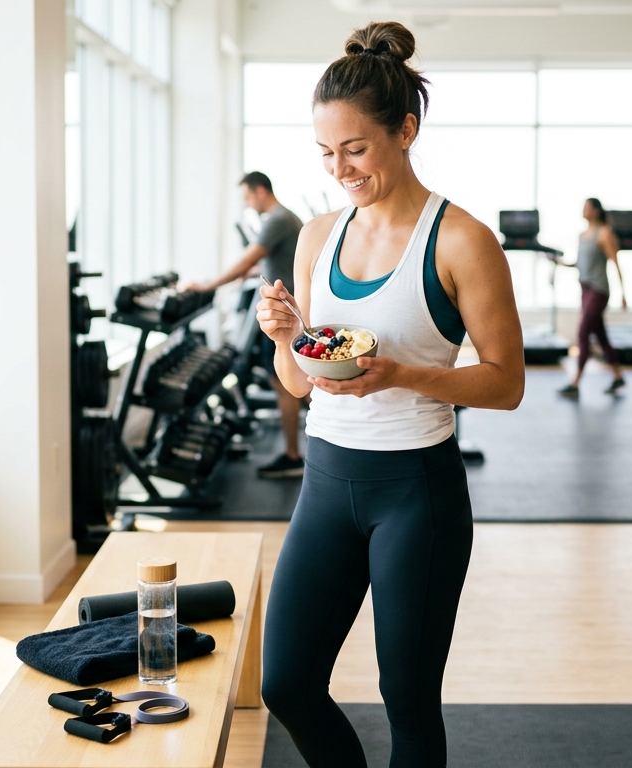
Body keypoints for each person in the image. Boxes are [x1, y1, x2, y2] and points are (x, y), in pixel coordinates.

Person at [254, 21, 524, 768]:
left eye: (356, 148)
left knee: (407, 701)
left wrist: (402, 373)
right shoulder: (317, 237)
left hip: (416, 492)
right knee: (287, 685)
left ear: (405, 131)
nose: (340, 168)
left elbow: (506, 384)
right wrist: (283, 335)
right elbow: (303, 384)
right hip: (326, 481)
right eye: (325, 153)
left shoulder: (461, 241)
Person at [190, 172, 307, 478]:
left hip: (283, 317)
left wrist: (208, 286)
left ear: (259, 191)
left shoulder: (277, 219)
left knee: (282, 383)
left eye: (246, 197)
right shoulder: (285, 219)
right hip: (286, 313)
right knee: (297, 385)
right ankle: (313, 447)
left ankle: (293, 455)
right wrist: (254, 271)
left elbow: (249, 257)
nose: (246, 203)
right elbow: (265, 262)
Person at [558, 198, 627, 398]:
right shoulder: (581, 236)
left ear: (596, 211)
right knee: (601, 337)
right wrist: (560, 263)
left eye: (587, 207)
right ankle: (618, 376)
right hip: (585, 289)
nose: (584, 210)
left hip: (599, 291)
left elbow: (615, 262)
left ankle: (575, 382)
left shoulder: (604, 233)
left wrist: (623, 293)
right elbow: (579, 264)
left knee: (582, 333)